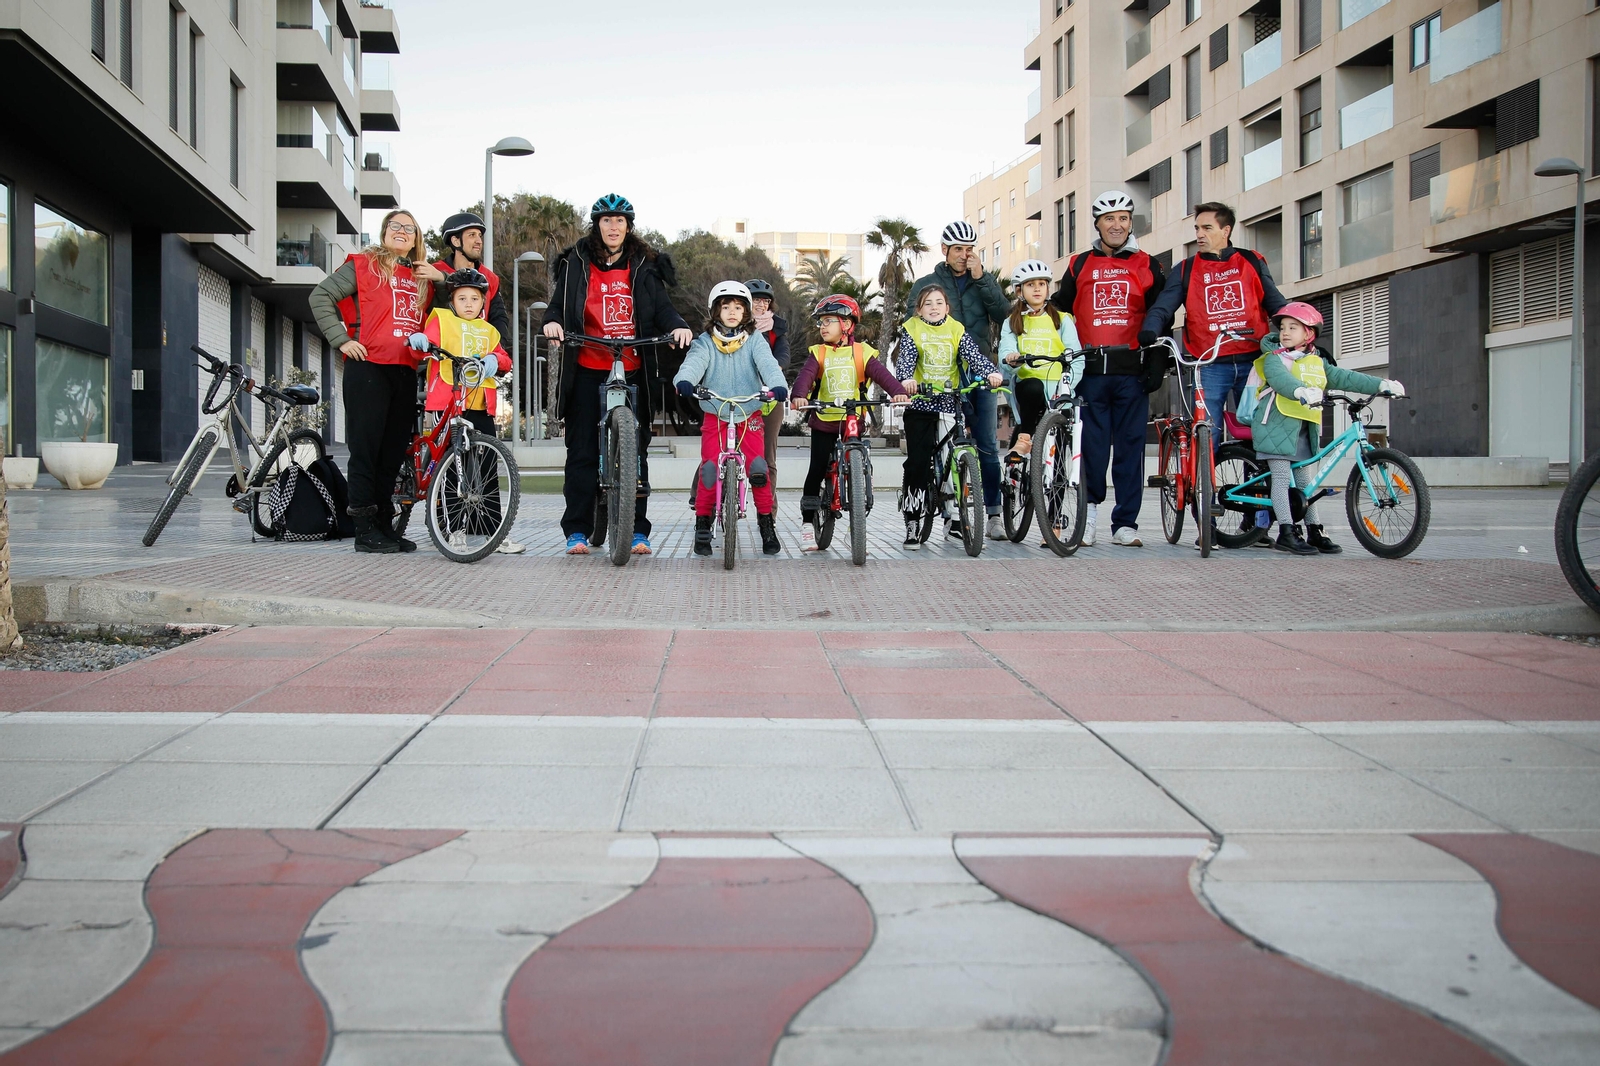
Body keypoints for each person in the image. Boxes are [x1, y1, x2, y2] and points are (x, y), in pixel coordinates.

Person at [543, 194, 693, 556]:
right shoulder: (577, 261)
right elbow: (558, 304)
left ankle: (637, 530)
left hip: (633, 367)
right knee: (581, 451)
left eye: (620, 221)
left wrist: (678, 326)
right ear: (597, 225)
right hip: (587, 364)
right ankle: (577, 530)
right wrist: (552, 321)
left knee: (636, 452)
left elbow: (663, 309)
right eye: (607, 220)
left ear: (629, 226)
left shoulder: (644, 265)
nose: (613, 227)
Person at [1139, 201, 1288, 547]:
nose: (1200, 234)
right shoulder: (1186, 269)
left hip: (1253, 363)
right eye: (1197, 228)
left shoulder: (1251, 261)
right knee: (1208, 438)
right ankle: (1207, 520)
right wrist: (1150, 328)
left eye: (1207, 228)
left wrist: (1299, 331)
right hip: (1209, 364)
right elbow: (1165, 305)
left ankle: (1257, 520)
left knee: (1259, 439)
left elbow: (1275, 302)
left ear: (1226, 230)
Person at [310, 207, 445, 553]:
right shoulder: (363, 264)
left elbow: (450, 313)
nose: (401, 231)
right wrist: (342, 339)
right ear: (384, 233)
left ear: (416, 239)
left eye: (409, 228)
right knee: (366, 450)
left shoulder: (422, 277)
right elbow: (320, 296)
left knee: (392, 453)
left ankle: (385, 524)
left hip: (405, 371)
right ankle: (364, 529)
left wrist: (440, 279)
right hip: (368, 368)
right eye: (394, 226)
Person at [1051, 191, 1167, 548]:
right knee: (1092, 449)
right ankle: (1087, 519)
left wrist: (1157, 362)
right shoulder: (1079, 264)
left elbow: (1162, 315)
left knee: (1131, 449)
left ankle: (1125, 524)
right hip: (1090, 374)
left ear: (1130, 223)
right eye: (1109, 219)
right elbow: (1059, 310)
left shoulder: (1148, 264)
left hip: (1132, 373)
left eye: (1123, 219)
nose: (1117, 225)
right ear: (1098, 224)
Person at [1244, 302, 1405, 554]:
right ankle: (1287, 531)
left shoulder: (1316, 362)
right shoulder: (1274, 358)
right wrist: (1300, 390)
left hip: (1302, 428)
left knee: (1306, 482)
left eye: (1293, 327)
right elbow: (1280, 379)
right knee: (1282, 478)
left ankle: (1314, 530)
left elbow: (1346, 377)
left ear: (1308, 334)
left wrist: (1381, 384)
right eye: (1283, 327)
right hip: (1274, 425)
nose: (1285, 332)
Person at [907, 221, 1011, 540]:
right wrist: (909, 376)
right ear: (944, 250)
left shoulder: (983, 281)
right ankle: (944, 511)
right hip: (940, 373)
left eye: (969, 249)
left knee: (987, 445)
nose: (965, 255)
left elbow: (1005, 314)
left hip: (978, 369)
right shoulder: (927, 285)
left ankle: (992, 514)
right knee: (938, 446)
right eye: (958, 249)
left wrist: (983, 279)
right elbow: (912, 329)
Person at [673, 282, 789, 557]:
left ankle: (766, 525)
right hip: (716, 414)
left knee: (759, 469)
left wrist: (778, 385)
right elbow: (692, 363)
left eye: (738, 307)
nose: (733, 312)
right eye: (726, 307)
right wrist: (685, 380)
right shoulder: (705, 342)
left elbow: (769, 364)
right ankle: (703, 523)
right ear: (715, 311)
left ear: (746, 312)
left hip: (749, 413)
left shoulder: (755, 340)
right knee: (709, 470)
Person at [790, 295, 908, 552]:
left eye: (829, 321)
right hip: (824, 420)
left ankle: (855, 528)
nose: (822, 326)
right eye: (821, 322)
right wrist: (799, 395)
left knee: (860, 467)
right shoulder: (819, 352)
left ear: (846, 324)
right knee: (817, 468)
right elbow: (806, 377)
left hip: (852, 419)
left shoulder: (862, 352)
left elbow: (882, 375)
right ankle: (808, 523)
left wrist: (898, 392)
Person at [419, 268, 523, 554]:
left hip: (480, 405)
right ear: (452, 301)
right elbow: (424, 344)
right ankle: (454, 531)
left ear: (483, 303)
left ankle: (494, 533)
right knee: (452, 469)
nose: (468, 304)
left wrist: (495, 360)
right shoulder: (441, 319)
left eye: (475, 299)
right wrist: (421, 341)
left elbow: (504, 359)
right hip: (449, 404)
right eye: (462, 298)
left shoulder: (489, 330)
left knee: (489, 466)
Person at [895, 284, 1004, 549]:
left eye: (939, 303)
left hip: (949, 403)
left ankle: (955, 521)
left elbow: (974, 356)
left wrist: (991, 372)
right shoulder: (912, 328)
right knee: (918, 464)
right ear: (919, 309)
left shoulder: (956, 329)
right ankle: (913, 522)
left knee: (954, 459)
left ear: (947, 307)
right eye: (928, 303)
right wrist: (907, 380)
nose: (934, 307)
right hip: (920, 404)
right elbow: (906, 360)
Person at [999, 260, 1083, 546]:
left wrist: (1067, 385)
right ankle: (1025, 438)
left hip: (1058, 395)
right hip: (1029, 391)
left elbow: (1076, 357)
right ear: (1019, 291)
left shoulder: (1063, 320)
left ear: (1048, 288)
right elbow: (1006, 351)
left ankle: (1055, 521)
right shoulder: (1012, 322)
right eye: (1030, 285)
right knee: (1032, 385)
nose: (1037, 289)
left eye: (1042, 284)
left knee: (1058, 466)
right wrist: (1010, 358)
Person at [432, 212, 511, 341]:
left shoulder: (490, 277)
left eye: (479, 236)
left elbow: (499, 318)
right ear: (456, 241)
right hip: (443, 346)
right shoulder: (435, 271)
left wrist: (498, 348)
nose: (479, 241)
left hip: (479, 348)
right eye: (472, 235)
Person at [747, 278, 791, 485]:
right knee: (721, 448)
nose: (761, 305)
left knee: (767, 457)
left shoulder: (776, 328)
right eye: (756, 300)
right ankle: (699, 496)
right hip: (739, 393)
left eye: (765, 301)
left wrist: (773, 372)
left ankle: (768, 506)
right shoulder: (734, 324)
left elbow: (784, 355)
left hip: (769, 394)